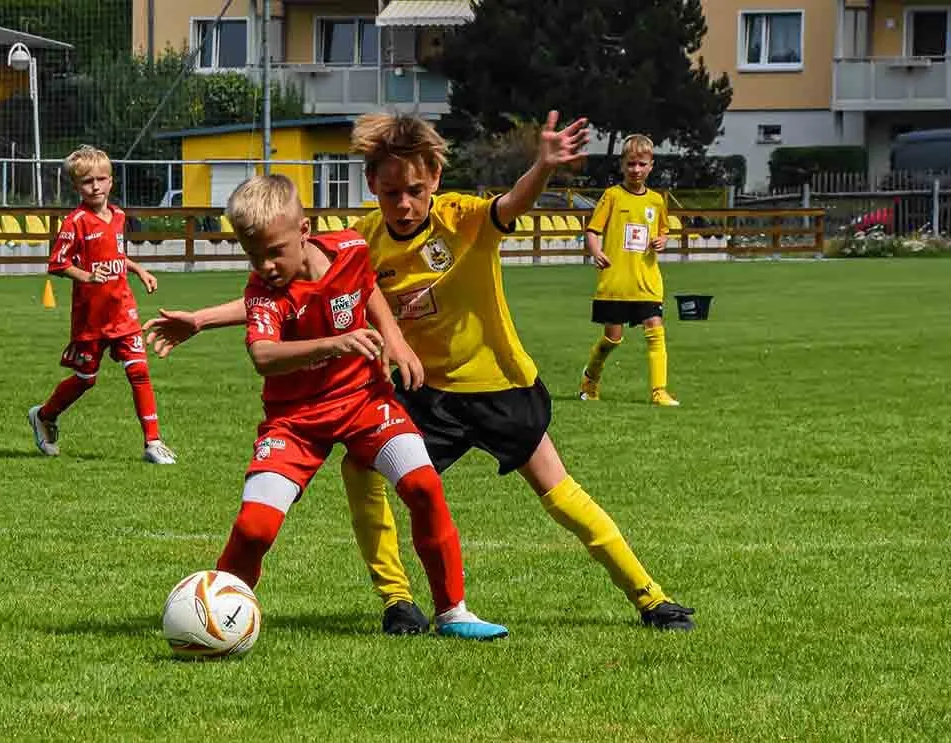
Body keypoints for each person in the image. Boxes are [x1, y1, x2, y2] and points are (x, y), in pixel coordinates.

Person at [145, 113, 695, 633]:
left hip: (500, 385)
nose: (404, 204)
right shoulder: (364, 241)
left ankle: (649, 595)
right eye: (390, 193)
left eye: (415, 190)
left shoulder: (463, 218)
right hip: (427, 396)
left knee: (561, 492)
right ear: (371, 186)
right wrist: (202, 319)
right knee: (362, 473)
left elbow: (513, 204)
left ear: (434, 178)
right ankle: (398, 601)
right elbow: (286, 291)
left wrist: (544, 166)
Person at [212, 174, 507, 640]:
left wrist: (394, 339)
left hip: (364, 402)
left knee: (424, 485)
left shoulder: (349, 247)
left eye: (274, 251)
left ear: (304, 230)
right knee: (253, 528)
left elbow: (367, 288)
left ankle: (453, 612)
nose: (265, 265)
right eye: (253, 255)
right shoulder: (264, 293)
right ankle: (214, 615)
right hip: (295, 423)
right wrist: (337, 343)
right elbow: (263, 356)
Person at [28, 145, 176, 465]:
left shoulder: (119, 216)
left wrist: (139, 270)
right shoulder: (75, 222)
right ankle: (44, 415)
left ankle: (153, 442)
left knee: (139, 370)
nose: (95, 186)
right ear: (76, 186)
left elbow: (117, 254)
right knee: (86, 379)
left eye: (101, 179)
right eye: (87, 181)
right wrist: (87, 276)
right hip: (91, 316)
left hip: (122, 308)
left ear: (111, 181)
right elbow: (57, 264)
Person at [581, 134, 679, 407]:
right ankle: (590, 379)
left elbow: (663, 230)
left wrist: (662, 240)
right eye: (631, 164)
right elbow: (592, 230)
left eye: (641, 164)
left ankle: (659, 391)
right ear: (623, 165)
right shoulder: (612, 196)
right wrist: (596, 251)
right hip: (616, 283)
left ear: (651, 166)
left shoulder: (657, 201)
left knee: (655, 330)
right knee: (613, 339)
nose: (636, 170)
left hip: (647, 282)